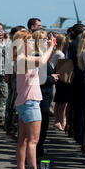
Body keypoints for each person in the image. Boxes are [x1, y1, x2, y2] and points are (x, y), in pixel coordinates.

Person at [14, 29, 55, 169]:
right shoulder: (22, 58)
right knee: (33, 140)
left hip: (25, 101)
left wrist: (49, 48)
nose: (32, 42)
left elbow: (43, 59)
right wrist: (52, 46)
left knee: (23, 140)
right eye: (29, 40)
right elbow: (42, 61)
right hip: (30, 101)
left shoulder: (21, 58)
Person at [34, 29, 58, 160]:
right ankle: (37, 149)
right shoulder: (37, 54)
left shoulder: (43, 54)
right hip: (41, 92)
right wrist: (52, 78)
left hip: (46, 93)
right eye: (44, 39)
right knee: (42, 123)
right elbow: (39, 77)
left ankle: (39, 147)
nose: (48, 41)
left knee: (44, 122)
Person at [51, 34, 67, 131]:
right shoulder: (60, 54)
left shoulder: (56, 52)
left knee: (58, 101)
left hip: (57, 77)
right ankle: (61, 121)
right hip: (60, 78)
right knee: (63, 102)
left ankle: (57, 120)